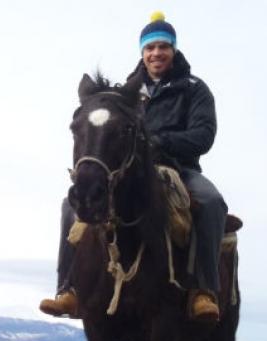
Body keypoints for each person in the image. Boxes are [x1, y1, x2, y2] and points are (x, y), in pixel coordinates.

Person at [40, 12, 227, 322]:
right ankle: (68, 290)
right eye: (150, 47)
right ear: (142, 52)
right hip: (131, 171)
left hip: (180, 168)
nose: (156, 53)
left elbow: (203, 135)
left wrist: (159, 142)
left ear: (173, 49)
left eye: (163, 46)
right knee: (71, 206)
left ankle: (204, 290)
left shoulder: (194, 88)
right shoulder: (126, 93)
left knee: (211, 202)